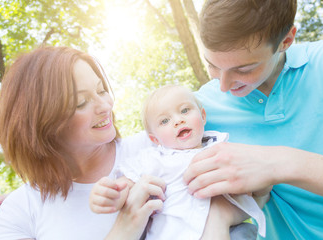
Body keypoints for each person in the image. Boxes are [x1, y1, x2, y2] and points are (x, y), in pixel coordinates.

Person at [182, 0, 323, 239]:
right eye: (212, 65)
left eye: (244, 69)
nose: (222, 85)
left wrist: (277, 163)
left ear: (286, 40)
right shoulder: (196, 112)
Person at [0, 46, 167, 240]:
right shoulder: (18, 212)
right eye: (81, 102)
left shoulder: (158, 145)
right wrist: (125, 229)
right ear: (41, 123)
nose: (105, 106)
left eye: (101, 90)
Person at [90, 85, 265, 240]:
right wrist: (110, 195)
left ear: (203, 115)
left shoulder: (221, 147)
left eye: (184, 110)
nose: (178, 120)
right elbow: (127, 185)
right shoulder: (155, 158)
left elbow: (250, 181)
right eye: (164, 121)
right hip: (173, 233)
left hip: (232, 229)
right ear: (155, 139)